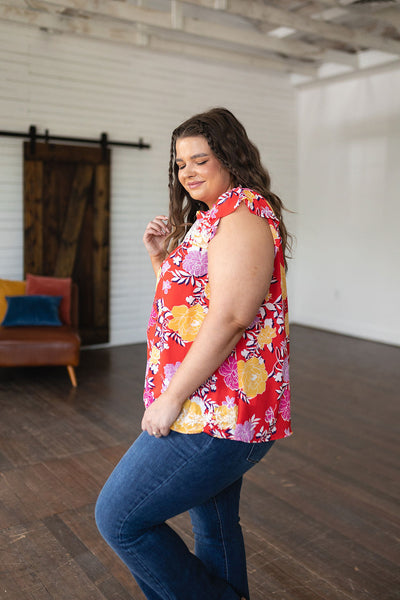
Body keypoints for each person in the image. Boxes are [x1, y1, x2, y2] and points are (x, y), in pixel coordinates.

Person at [95, 107, 292, 600]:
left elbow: (230, 318)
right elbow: (193, 308)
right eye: (181, 164)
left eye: (200, 159)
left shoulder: (243, 212)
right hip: (207, 405)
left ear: (230, 156)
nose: (188, 172)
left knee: (119, 520)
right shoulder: (214, 216)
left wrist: (170, 399)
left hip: (216, 412)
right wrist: (163, 260)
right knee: (216, 529)